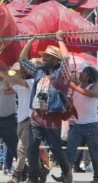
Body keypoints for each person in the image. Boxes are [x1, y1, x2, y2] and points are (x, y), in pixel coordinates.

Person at [19, 31, 72, 183]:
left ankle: (67, 172)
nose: (44, 57)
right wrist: (30, 41)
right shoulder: (39, 70)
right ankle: (33, 178)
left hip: (52, 116)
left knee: (55, 148)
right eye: (45, 55)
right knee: (32, 147)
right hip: (37, 115)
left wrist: (60, 40)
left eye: (48, 56)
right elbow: (22, 60)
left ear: (55, 60)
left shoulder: (61, 74)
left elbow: (66, 59)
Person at [64, 66, 98, 183]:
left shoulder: (94, 87)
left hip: (91, 125)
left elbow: (93, 94)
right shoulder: (77, 87)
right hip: (77, 124)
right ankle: (65, 175)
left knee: (94, 153)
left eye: (83, 72)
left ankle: (97, 178)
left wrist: (74, 87)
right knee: (70, 151)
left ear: (89, 75)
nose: (80, 73)